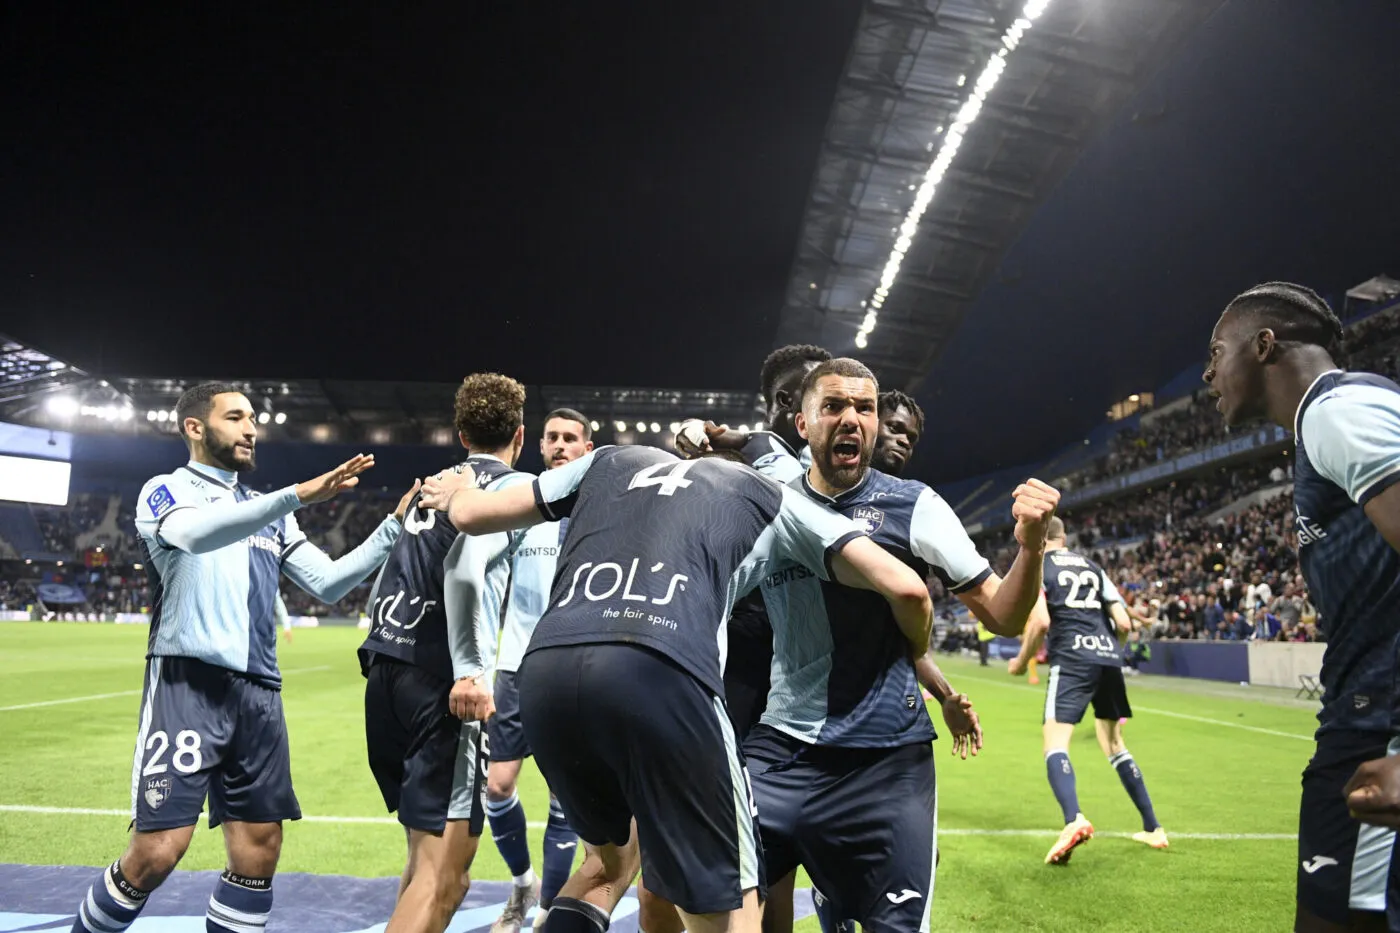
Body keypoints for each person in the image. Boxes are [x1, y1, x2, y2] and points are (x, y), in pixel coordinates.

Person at [418, 441, 939, 933]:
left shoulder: (608, 460)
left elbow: (470, 515)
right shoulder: (767, 492)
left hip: (548, 671)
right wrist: (916, 651)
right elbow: (907, 588)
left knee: (604, 866)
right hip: (663, 670)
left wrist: (454, 493)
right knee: (734, 902)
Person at [724, 358, 1057, 933]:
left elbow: (1004, 615)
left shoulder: (914, 506)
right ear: (802, 425)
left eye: (865, 408)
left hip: (885, 763)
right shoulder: (768, 507)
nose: (851, 418)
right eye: (833, 406)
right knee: (717, 912)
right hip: (780, 753)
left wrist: (1029, 549)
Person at [69, 382, 411, 933]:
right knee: (157, 851)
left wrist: (394, 526)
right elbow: (198, 536)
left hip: (259, 695)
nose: (252, 428)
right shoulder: (165, 491)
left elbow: (327, 583)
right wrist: (297, 495)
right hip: (187, 686)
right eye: (235, 417)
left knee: (258, 850)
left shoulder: (268, 512)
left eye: (253, 418)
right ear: (195, 428)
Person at [1204, 281, 1400, 932]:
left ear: (1265, 345)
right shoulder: (1328, 422)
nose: (1207, 372)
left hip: (1380, 736)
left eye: (1216, 351)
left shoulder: (1336, 411)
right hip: (1360, 725)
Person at [358, 372, 537, 933]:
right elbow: (463, 569)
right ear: (521, 435)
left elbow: (394, 569)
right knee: (449, 876)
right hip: (442, 685)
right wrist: (469, 674)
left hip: (386, 668)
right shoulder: (505, 492)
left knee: (423, 861)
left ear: (461, 434)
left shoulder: (433, 484)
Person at [485, 408, 594, 933]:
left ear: (587, 448)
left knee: (562, 797)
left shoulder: (598, 511)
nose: (558, 445)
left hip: (572, 669)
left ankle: (547, 909)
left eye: (570, 438)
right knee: (498, 787)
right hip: (515, 666)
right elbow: (486, 580)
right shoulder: (522, 510)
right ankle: (523, 881)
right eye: (551, 437)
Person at [1008, 517, 1166, 864]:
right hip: (1108, 656)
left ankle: (1073, 820)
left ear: (1038, 537)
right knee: (1113, 744)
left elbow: (1041, 621)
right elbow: (1123, 623)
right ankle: (1154, 828)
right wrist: (1111, 651)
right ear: (1064, 537)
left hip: (1072, 657)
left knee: (1055, 744)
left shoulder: (1038, 565)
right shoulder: (1093, 567)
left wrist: (1022, 661)